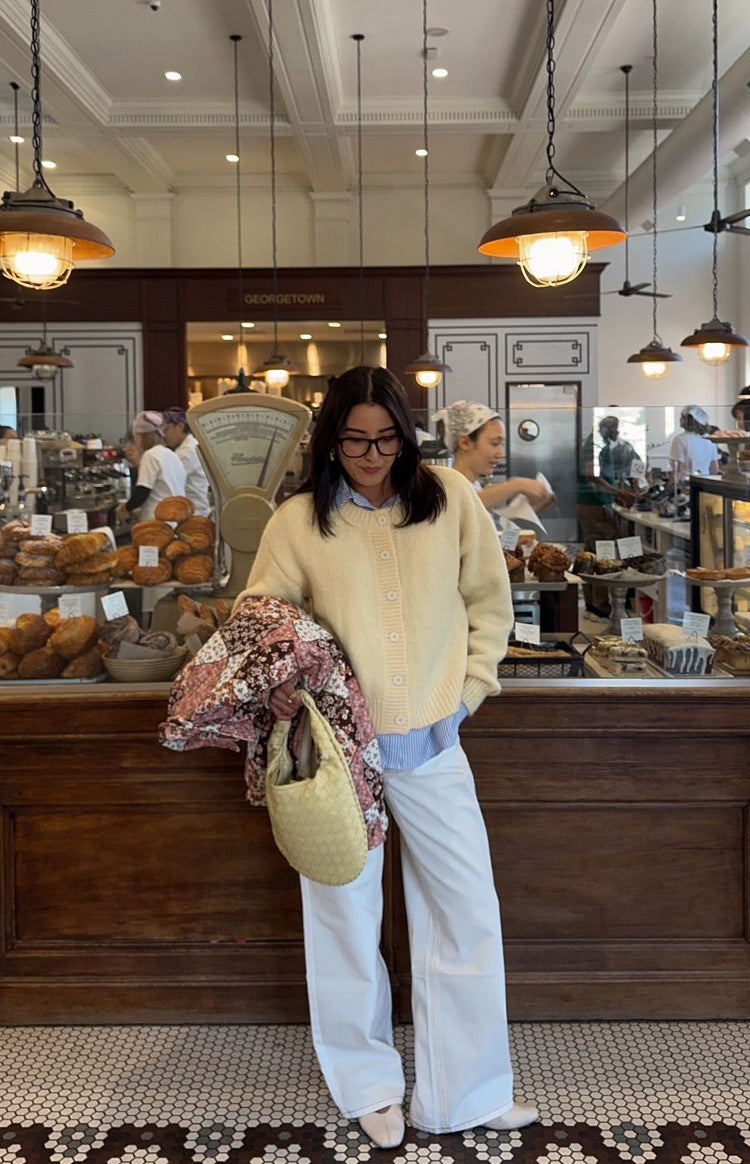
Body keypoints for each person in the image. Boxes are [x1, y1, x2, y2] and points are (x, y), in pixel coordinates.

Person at [236, 366, 538, 1148]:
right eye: (354, 440)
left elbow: (488, 602)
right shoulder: (298, 521)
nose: (372, 456)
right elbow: (262, 618)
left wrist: (469, 690)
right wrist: (289, 691)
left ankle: (464, 1090)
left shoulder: (450, 499)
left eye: (386, 438)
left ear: (407, 433)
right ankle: (368, 1084)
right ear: (328, 440)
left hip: (434, 741)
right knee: (342, 913)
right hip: (339, 756)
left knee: (466, 910)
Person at [431, 401, 554, 514]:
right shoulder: (447, 487)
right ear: (465, 443)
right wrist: (516, 485)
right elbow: (465, 506)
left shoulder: (475, 486)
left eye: (502, 444)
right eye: (494, 443)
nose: (501, 454)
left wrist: (514, 537)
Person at [577, 416, 638, 617]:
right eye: (615, 427)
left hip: (597, 503)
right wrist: (619, 493)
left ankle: (593, 604)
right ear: (606, 426)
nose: (617, 432)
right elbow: (591, 476)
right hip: (595, 505)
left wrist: (615, 494)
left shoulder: (600, 443)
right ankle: (600, 605)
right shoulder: (594, 444)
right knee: (604, 555)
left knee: (592, 555)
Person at [115, 411, 186, 524]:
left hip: (158, 522)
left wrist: (125, 508)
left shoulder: (150, 455)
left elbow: (142, 492)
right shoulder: (171, 455)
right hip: (175, 520)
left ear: (140, 435)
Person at [162, 406, 212, 516]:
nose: (164, 435)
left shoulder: (188, 452)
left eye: (167, 429)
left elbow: (166, 479)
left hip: (196, 515)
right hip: (193, 512)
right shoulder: (186, 448)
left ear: (180, 426)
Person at [669, 405, 718, 483]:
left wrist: (670, 487)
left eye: (682, 417)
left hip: (688, 484)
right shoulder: (710, 439)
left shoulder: (680, 439)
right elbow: (715, 468)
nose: (680, 419)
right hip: (706, 483)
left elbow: (677, 470)